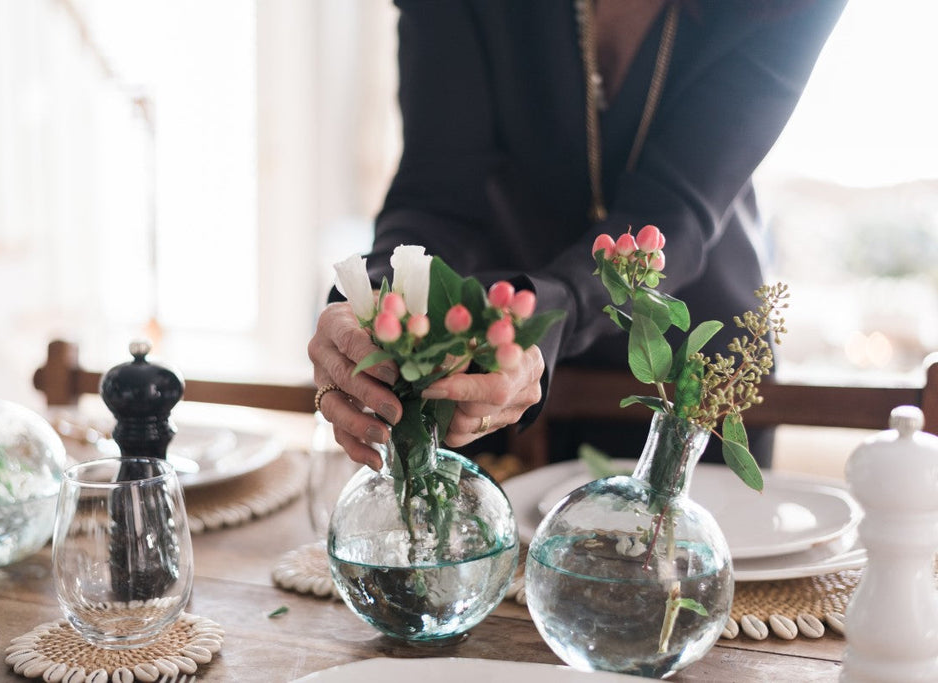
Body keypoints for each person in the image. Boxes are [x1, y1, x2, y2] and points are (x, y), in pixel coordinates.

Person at [308, 0, 847, 470]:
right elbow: (438, 188)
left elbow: (676, 210)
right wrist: (376, 298)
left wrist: (534, 316)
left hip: (684, 378)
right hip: (477, 375)